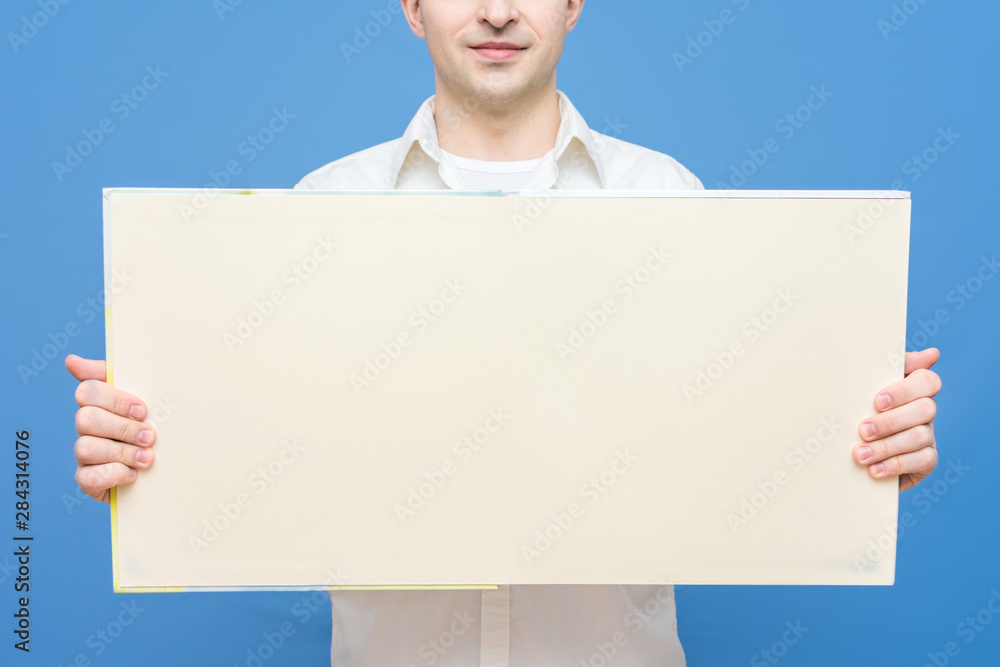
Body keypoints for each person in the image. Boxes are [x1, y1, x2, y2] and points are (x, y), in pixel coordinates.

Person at [65, 1, 943, 665]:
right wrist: (146, 443)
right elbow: (262, 450)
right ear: (411, 6)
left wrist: (863, 441)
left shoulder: (667, 200)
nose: (495, 11)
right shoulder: (322, 210)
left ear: (574, 3)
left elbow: (741, 439)